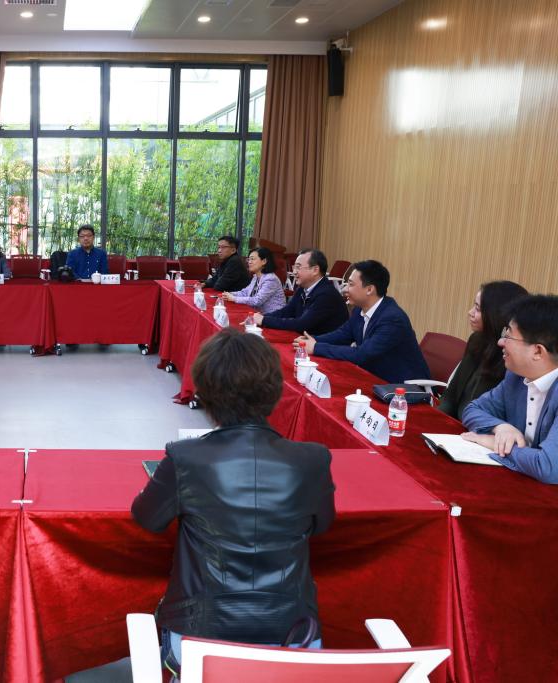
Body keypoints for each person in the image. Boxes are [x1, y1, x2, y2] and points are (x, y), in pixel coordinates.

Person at [132, 329, 335, 674]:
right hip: (291, 635)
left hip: (200, 635)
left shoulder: (185, 457)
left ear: (204, 391)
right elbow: (322, 525)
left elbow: (147, 519)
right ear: (275, 391)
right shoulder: (313, 459)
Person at [461, 295, 558, 484]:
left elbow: (548, 468)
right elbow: (472, 409)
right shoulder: (516, 377)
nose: (500, 342)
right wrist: (501, 427)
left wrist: (495, 444)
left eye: (508, 336)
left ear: (538, 351)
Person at [295, 260, 430, 384]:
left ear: (369, 289)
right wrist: (313, 340)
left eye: (351, 284)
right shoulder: (360, 309)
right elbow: (342, 334)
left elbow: (362, 354)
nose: (345, 289)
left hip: (403, 388)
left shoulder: (392, 319)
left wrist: (316, 347)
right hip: (375, 378)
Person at [438, 281, 528, 418]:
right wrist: (436, 419)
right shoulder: (477, 339)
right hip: (455, 422)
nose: (470, 313)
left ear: (496, 314)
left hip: (479, 426)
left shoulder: (512, 357)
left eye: (478, 309)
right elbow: (451, 395)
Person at [254, 249, 349, 335]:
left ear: (315, 270)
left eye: (298, 267)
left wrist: (264, 320)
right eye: (294, 267)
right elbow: (287, 311)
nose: (294, 272)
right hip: (306, 339)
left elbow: (302, 324)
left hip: (324, 345)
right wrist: (262, 317)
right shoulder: (303, 288)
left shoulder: (326, 294)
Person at [222, 247, 285, 314]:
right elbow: (245, 292)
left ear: (264, 261)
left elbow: (257, 301)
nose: (249, 262)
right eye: (248, 259)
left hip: (273, 316)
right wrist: (230, 294)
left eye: (252, 259)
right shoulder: (256, 277)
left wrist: (234, 298)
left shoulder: (271, 279)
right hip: (258, 314)